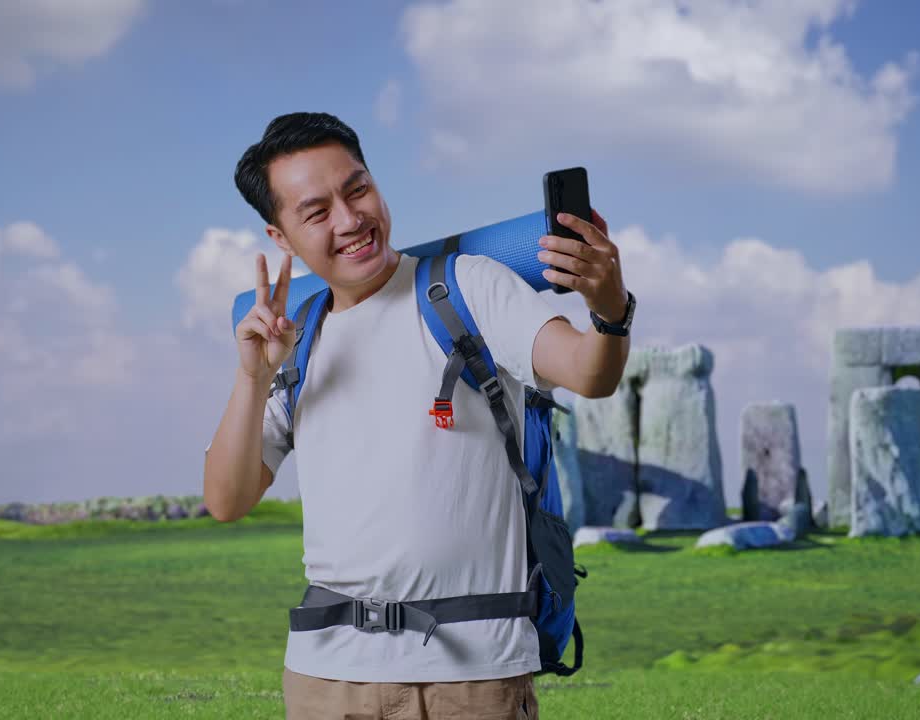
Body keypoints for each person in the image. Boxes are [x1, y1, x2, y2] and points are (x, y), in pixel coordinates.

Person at [203, 112, 633, 719]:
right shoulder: (295, 341)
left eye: (358, 189)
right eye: (317, 211)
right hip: (325, 680)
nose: (351, 221)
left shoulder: (468, 288)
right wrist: (253, 376)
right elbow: (226, 499)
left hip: (473, 679)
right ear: (281, 238)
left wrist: (609, 308)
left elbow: (592, 372)